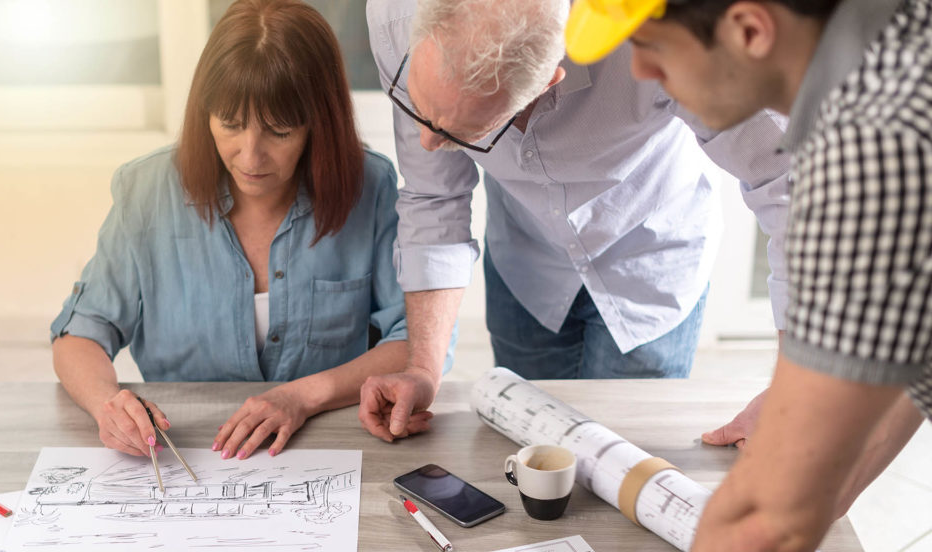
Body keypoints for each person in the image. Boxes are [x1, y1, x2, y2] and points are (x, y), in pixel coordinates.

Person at [565, 0, 930, 552]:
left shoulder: (870, 148)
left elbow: (766, 527)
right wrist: (808, 409)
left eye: (652, 45)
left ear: (749, 30)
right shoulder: (900, 39)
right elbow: (910, 347)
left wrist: (798, 465)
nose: (637, 72)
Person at [359, 0, 791, 442]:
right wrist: (423, 369)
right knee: (533, 444)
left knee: (626, 457)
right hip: (524, 263)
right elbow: (434, 197)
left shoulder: (667, 30)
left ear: (547, 84)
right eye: (420, 108)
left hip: (650, 256)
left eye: (458, 133)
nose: (426, 141)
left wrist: (793, 395)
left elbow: (790, 182)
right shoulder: (395, 17)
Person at [51, 0, 430, 462]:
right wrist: (107, 405)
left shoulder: (369, 187)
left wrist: (301, 396)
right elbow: (82, 333)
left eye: (279, 131)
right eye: (230, 124)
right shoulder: (146, 192)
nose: (250, 157)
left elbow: (412, 338)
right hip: (180, 449)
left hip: (329, 444)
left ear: (319, 124)